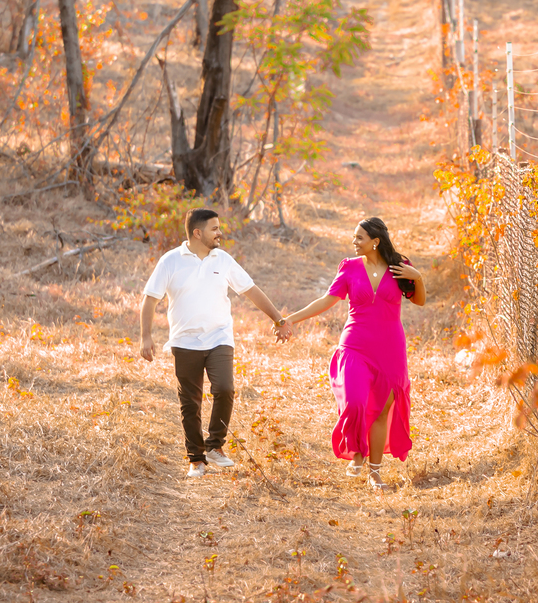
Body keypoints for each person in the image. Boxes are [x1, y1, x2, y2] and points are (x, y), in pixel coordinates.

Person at [139, 208, 292, 479]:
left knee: (224, 388)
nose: (220, 233)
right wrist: (146, 336)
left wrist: (278, 319)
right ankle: (196, 459)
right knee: (190, 403)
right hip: (185, 341)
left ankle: (214, 446)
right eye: (214, 228)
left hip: (219, 337)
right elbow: (150, 299)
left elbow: (251, 290)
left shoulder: (223, 259)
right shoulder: (170, 261)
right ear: (197, 233)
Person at [281, 217, 426, 489]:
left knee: (382, 411)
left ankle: (374, 471)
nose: (354, 242)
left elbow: (419, 300)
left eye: (359, 237)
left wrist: (418, 278)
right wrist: (291, 318)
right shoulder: (349, 268)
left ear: (375, 242)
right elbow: (326, 300)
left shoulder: (400, 268)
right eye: (354, 237)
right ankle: (357, 454)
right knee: (355, 402)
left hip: (390, 347)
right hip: (355, 344)